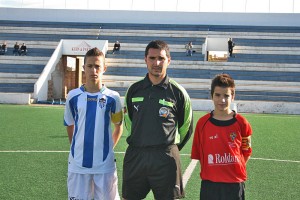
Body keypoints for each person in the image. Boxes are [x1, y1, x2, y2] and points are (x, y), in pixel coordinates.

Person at [122, 40, 193, 200]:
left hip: (165, 158)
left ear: (169, 60)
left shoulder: (179, 93)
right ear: (145, 59)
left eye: (161, 58)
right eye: (152, 58)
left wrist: (169, 148)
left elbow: (186, 127)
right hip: (136, 155)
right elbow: (129, 122)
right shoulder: (134, 90)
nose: (157, 63)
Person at [64, 47, 123, 200]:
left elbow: (118, 126)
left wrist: (108, 148)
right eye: (90, 66)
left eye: (97, 66)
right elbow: (70, 124)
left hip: (105, 166)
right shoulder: (73, 96)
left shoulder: (113, 97)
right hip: (78, 165)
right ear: (84, 68)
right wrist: (76, 148)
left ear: (104, 68)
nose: (93, 70)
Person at [191, 73, 252, 200]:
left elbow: (246, 152)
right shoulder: (202, 123)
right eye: (218, 95)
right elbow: (200, 155)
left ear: (233, 97)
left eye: (226, 95)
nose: (222, 100)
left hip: (234, 184)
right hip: (210, 185)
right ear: (211, 95)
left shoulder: (242, 123)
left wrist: (232, 168)